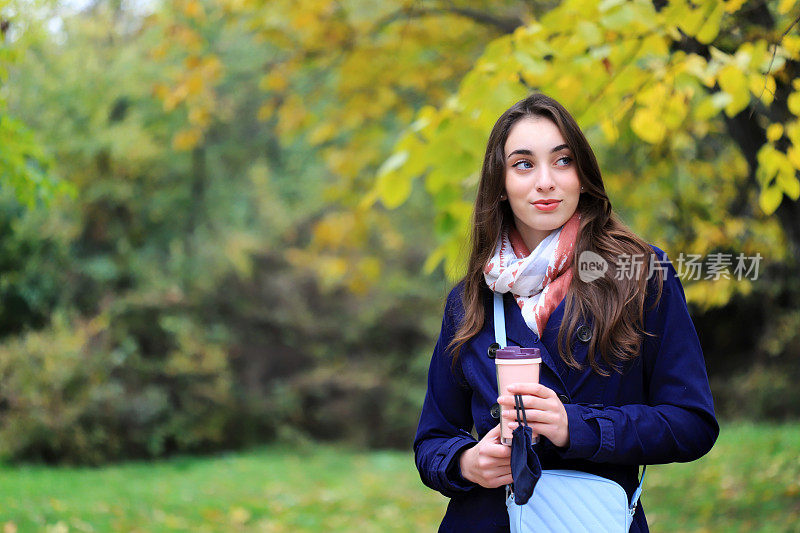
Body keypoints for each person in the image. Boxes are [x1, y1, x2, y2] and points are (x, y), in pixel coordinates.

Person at [412, 93, 719, 532]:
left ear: (583, 176)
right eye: (523, 164)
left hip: (594, 517)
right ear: (500, 183)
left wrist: (574, 425)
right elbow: (432, 440)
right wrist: (467, 462)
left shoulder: (642, 275)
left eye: (562, 161)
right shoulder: (469, 299)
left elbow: (692, 424)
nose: (545, 181)